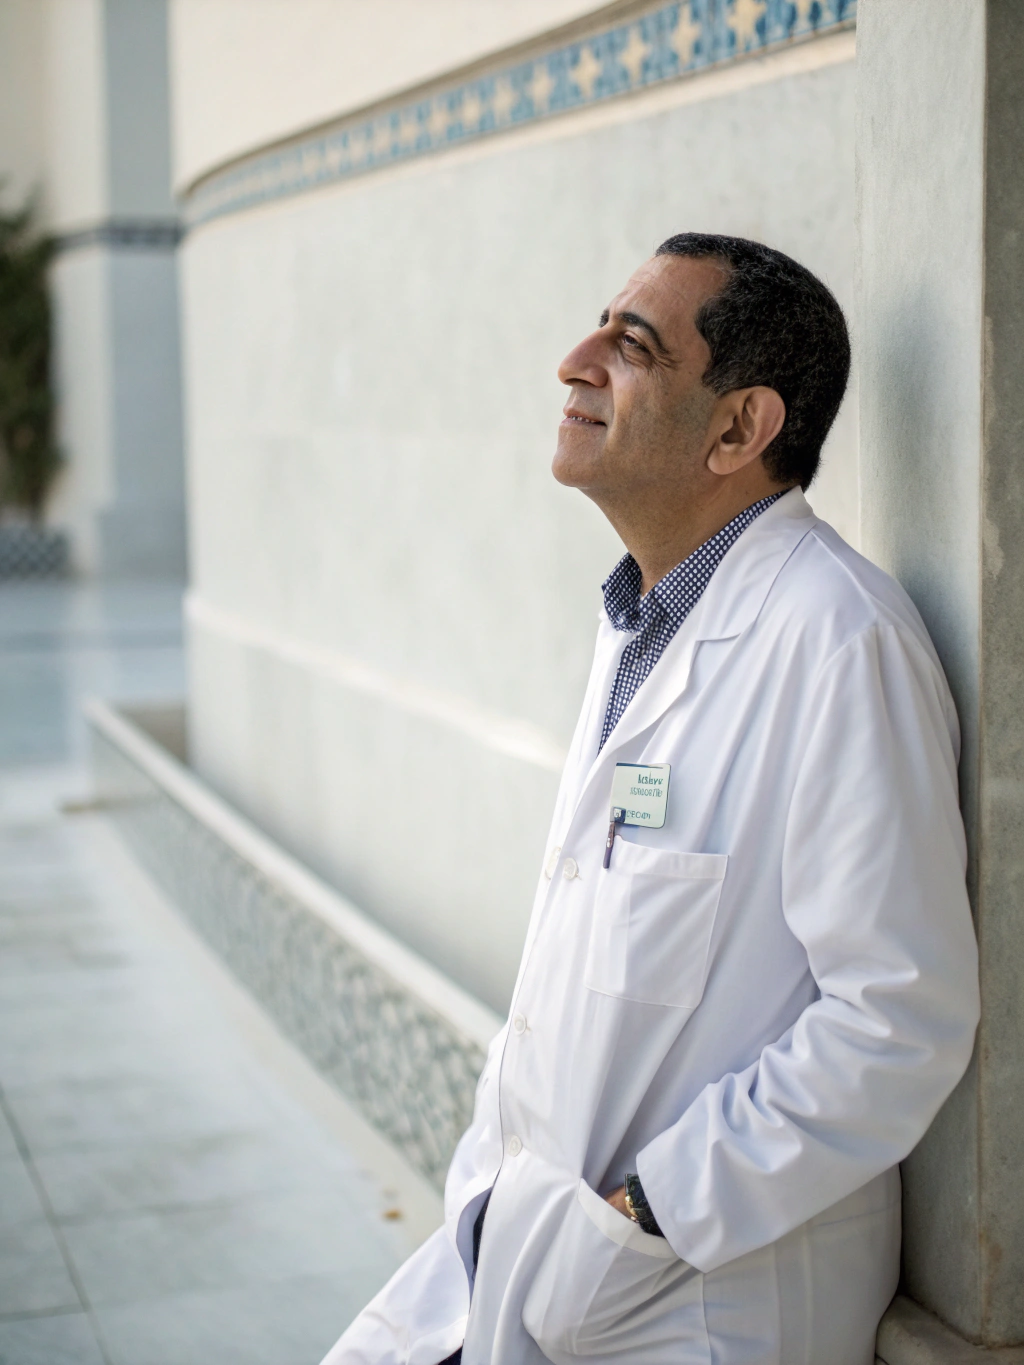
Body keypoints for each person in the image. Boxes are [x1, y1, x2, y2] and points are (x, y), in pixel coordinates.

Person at [321, 234, 980, 1365]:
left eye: (631, 346)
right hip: (535, 1242)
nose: (574, 362)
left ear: (738, 428)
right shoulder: (644, 618)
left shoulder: (837, 640)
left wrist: (652, 1208)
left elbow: (899, 1016)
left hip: (701, 1297)